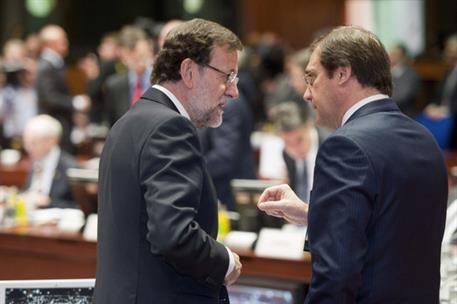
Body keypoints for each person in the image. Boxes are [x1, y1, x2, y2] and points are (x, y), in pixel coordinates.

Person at [257, 25, 448, 302]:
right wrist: (313, 213)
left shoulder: (345, 146)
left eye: (312, 78)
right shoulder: (424, 138)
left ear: (343, 73)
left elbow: (336, 276)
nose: (306, 94)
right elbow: (390, 226)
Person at [95, 18, 243, 304]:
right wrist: (224, 261)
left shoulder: (130, 121)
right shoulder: (170, 128)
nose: (233, 91)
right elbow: (172, 235)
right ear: (189, 71)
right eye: (227, 76)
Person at [35, 24, 91, 153]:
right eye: (63, 40)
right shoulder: (46, 66)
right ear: (50, 43)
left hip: (61, 126)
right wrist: (76, 102)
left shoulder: (54, 64)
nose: (66, 42)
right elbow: (49, 98)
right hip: (52, 129)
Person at [22, 114, 79, 209]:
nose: (28, 148)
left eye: (34, 143)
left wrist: (48, 202)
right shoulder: (35, 161)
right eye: (26, 143)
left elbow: (78, 207)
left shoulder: (70, 167)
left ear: (51, 141)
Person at [388, 43, 421, 118]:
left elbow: (402, 97)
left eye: (394, 54)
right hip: (389, 114)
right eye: (391, 53)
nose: (390, 56)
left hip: (404, 116)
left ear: (403, 57)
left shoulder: (410, 75)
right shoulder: (387, 72)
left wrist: (381, 102)